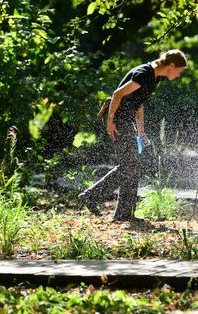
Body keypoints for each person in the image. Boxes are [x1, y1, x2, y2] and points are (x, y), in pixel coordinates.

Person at [78, 49, 187, 221]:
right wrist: (110, 121)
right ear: (172, 65)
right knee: (129, 166)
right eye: (179, 71)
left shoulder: (154, 77)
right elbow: (118, 94)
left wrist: (141, 131)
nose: (179, 75)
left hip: (125, 120)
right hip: (117, 120)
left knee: (132, 167)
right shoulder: (144, 73)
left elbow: (139, 104)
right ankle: (91, 196)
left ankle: (124, 214)